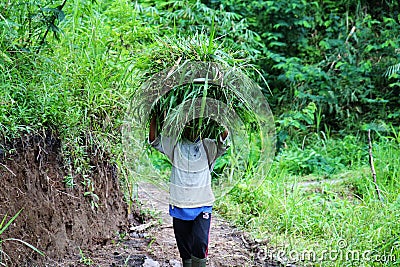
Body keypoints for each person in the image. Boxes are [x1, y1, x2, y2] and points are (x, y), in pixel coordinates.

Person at [148, 114, 229, 267]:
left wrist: (221, 116)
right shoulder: (175, 145)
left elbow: (223, 140)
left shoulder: (208, 146)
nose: (191, 128)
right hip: (180, 203)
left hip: (203, 203)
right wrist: (155, 116)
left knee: (200, 242)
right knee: (184, 245)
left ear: (202, 126)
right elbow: (154, 140)